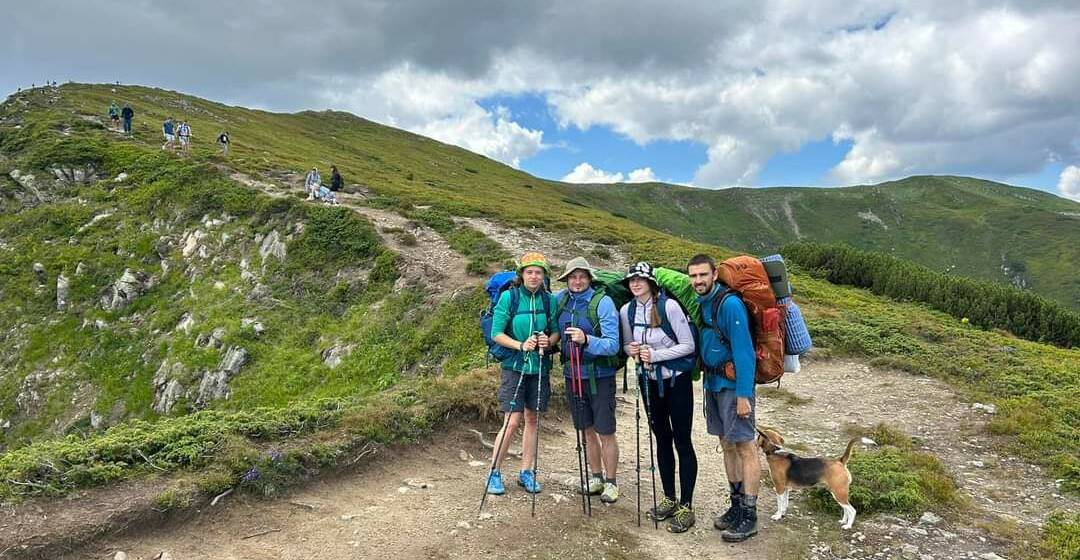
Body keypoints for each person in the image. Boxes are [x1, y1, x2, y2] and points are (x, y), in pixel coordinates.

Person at [619, 261, 698, 533]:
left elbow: (688, 346)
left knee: (682, 440)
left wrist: (655, 355)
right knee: (662, 438)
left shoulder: (669, 307)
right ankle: (669, 498)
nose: (635, 283)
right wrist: (632, 350)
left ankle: (686, 505)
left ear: (651, 282)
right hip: (649, 382)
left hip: (677, 382)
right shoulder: (626, 310)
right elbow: (629, 346)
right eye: (631, 280)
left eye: (640, 279)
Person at [687, 254, 760, 543]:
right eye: (693, 276)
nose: (698, 281)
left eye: (703, 275)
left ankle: (750, 516)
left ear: (715, 274)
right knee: (727, 444)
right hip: (713, 384)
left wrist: (744, 395)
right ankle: (735, 505)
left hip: (732, 387)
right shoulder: (703, 302)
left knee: (745, 447)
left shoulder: (729, 305)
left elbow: (745, 353)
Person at [485, 252, 559, 496]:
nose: (534, 276)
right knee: (512, 421)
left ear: (544, 276)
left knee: (533, 419)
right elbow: (496, 332)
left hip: (539, 367)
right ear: (522, 275)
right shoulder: (509, 297)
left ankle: (527, 471)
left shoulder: (550, 301)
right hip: (515, 367)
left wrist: (548, 341)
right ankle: (494, 471)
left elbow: (556, 332)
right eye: (529, 272)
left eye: (538, 272)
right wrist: (520, 345)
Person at [554, 257, 622, 503]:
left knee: (605, 431)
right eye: (573, 277)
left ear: (589, 278)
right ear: (567, 280)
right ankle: (596, 477)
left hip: (600, 377)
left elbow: (614, 345)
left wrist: (587, 340)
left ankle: (611, 482)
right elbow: (553, 331)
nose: (577, 281)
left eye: (582, 276)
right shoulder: (560, 301)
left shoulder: (602, 303)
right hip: (572, 376)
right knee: (586, 430)